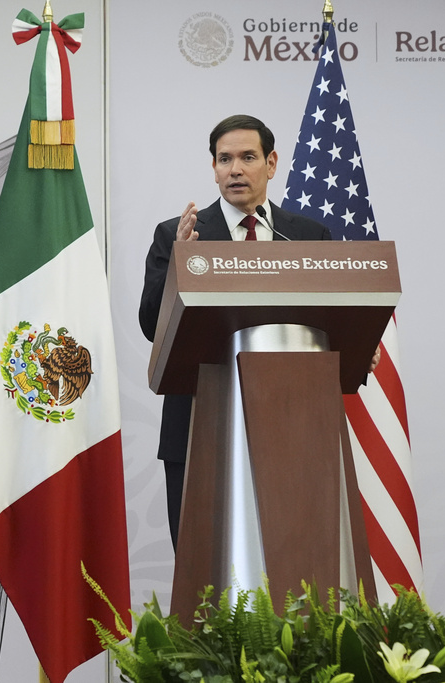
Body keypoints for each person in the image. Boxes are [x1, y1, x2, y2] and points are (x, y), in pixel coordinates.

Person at [138, 114, 333, 549]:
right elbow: (151, 325)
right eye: (224, 159)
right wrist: (180, 265)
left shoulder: (308, 236)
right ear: (213, 168)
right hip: (198, 426)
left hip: (291, 424)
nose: (235, 169)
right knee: (202, 562)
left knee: (292, 560)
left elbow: (331, 320)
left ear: (271, 163)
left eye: (248, 157)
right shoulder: (177, 235)